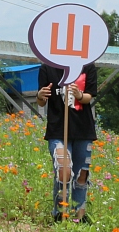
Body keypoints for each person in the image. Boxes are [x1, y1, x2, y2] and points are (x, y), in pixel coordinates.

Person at [36, 62, 98, 222]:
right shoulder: (47, 67)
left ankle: (80, 215)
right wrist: (40, 96)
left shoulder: (88, 66)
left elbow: (89, 96)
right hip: (57, 129)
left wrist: (79, 96)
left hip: (83, 129)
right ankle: (59, 213)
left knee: (81, 174)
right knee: (64, 170)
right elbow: (41, 101)